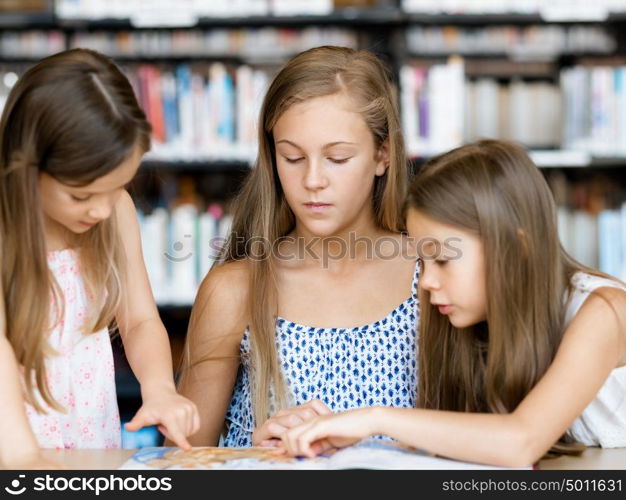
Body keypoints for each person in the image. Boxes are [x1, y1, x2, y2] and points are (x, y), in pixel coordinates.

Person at [279, 140, 626, 467]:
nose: (426, 283)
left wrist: (374, 417)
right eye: (423, 262)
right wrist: (318, 435)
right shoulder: (472, 321)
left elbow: (521, 441)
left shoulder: (605, 311)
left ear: (515, 249)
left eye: (443, 259)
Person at [176, 46, 420, 447]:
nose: (312, 180)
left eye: (337, 159)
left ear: (382, 154)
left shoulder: (432, 280)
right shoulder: (235, 290)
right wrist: (254, 456)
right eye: (292, 157)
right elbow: (182, 463)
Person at [0, 48, 199, 469]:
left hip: (92, 444)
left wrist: (160, 387)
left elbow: (140, 320)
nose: (103, 210)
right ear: (26, 170)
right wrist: (24, 459)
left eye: (119, 186)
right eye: (82, 195)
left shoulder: (115, 215)